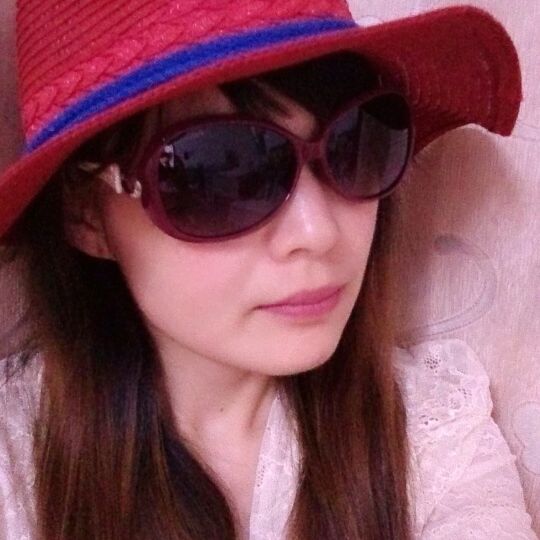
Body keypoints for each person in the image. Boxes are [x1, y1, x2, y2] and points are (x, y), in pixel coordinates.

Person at [0, 1, 536, 539]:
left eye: (355, 142)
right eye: (219, 174)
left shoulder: (435, 437)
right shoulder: (14, 467)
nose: (318, 232)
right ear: (86, 214)